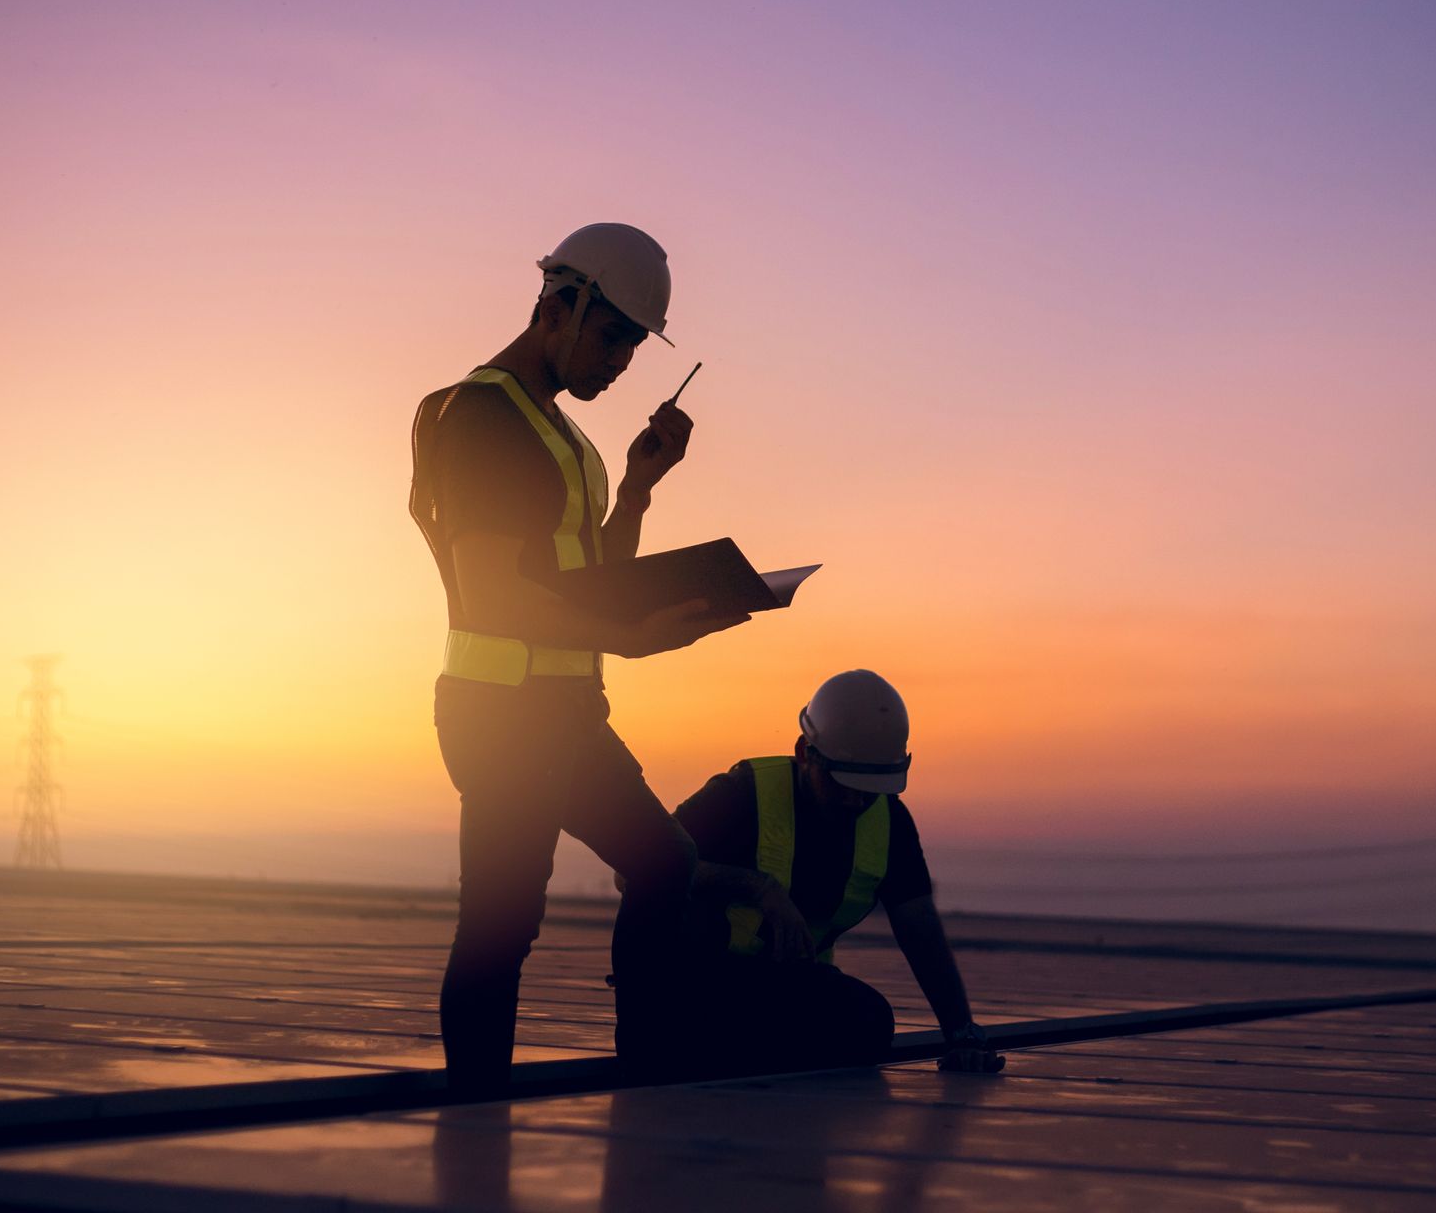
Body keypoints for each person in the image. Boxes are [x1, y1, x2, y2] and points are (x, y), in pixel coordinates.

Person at [409, 222, 748, 1096]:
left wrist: (637, 485)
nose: (618, 364)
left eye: (633, 350)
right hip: (501, 716)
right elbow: (489, 597)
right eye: (610, 339)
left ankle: (644, 1065)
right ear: (557, 306)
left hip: (563, 713)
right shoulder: (482, 419)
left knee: (664, 862)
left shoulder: (560, 435)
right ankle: (476, 1121)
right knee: (502, 924)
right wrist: (627, 637)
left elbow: (591, 579)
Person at [629, 669, 1005, 1078]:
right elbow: (635, 872)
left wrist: (962, 1034)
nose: (855, 798)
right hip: (693, 980)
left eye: (870, 786)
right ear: (805, 753)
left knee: (870, 1021)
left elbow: (920, 930)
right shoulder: (741, 794)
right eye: (841, 782)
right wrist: (758, 888)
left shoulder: (888, 822)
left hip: (781, 989)